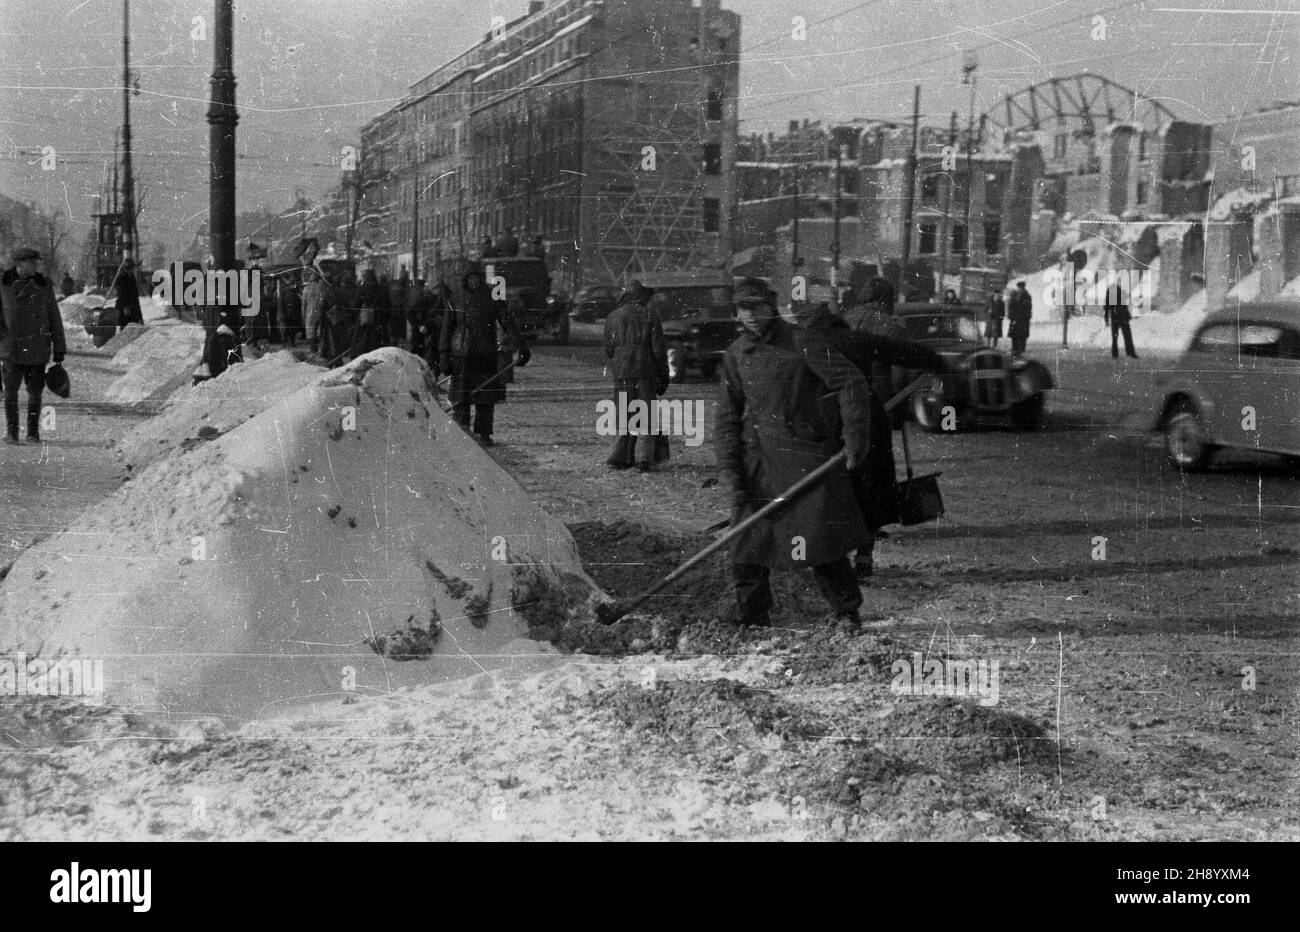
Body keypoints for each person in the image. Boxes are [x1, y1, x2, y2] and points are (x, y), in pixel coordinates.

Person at [716, 278, 875, 629]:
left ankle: (847, 613)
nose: (752, 316)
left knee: (821, 543)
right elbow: (726, 418)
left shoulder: (802, 342)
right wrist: (730, 469)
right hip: (758, 465)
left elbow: (851, 382)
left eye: (758, 307)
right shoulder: (737, 354)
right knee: (746, 543)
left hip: (805, 460)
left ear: (772, 306)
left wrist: (855, 437)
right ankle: (753, 618)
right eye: (744, 308)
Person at [795, 302, 943, 578]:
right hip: (866, 421)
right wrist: (935, 360)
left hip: (821, 423)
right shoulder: (855, 339)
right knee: (868, 491)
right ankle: (864, 558)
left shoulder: (800, 345)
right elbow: (901, 351)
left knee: (824, 492)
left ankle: (823, 557)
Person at [439, 267, 527, 446]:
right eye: (470, 279)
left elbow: (506, 321)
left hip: (485, 353)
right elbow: (447, 328)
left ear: (481, 279)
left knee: (486, 397)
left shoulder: (492, 296)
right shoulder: (455, 297)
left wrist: (522, 344)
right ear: (465, 280)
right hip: (461, 353)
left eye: (477, 278)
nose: (474, 282)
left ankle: (484, 433)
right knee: (461, 395)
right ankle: (461, 431)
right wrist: (443, 354)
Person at [1, 247, 66, 443]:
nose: (35, 265)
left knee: (34, 391)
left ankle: (32, 433)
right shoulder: (3, 285)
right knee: (10, 391)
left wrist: (60, 347)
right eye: (31, 262)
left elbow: (54, 317)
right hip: (11, 348)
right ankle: (12, 433)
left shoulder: (44, 285)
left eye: (35, 262)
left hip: (37, 347)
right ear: (19, 264)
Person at [603, 280, 669, 472]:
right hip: (645, 372)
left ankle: (620, 457)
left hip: (622, 373)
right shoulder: (651, 316)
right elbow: (659, 351)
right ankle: (644, 459)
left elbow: (608, 348)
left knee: (624, 413)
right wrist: (663, 377)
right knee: (647, 415)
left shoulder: (612, 316)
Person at [1103, 278, 1138, 359]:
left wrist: (1106, 320)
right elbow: (1125, 299)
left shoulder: (1109, 295)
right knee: (1127, 336)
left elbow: (1106, 308)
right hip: (1123, 317)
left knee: (1115, 337)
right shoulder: (1119, 292)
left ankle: (1115, 354)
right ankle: (1130, 353)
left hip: (1115, 317)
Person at [112, 259, 143, 331]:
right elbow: (121, 294)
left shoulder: (132, 276)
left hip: (133, 305)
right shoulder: (120, 278)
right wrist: (125, 306)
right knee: (125, 327)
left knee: (135, 327)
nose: (134, 269)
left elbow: (135, 294)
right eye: (133, 268)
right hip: (124, 307)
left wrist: (139, 313)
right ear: (129, 268)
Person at [1007, 280, 1032, 356]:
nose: (1018, 289)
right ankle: (1014, 348)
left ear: (1022, 288)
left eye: (1020, 288)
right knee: (1014, 334)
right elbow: (1010, 306)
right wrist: (1011, 315)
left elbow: (1028, 308)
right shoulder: (1014, 295)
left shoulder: (1026, 296)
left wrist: (1023, 316)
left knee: (1022, 335)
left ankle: (1021, 348)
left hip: (1023, 319)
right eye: (1018, 288)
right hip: (1015, 318)